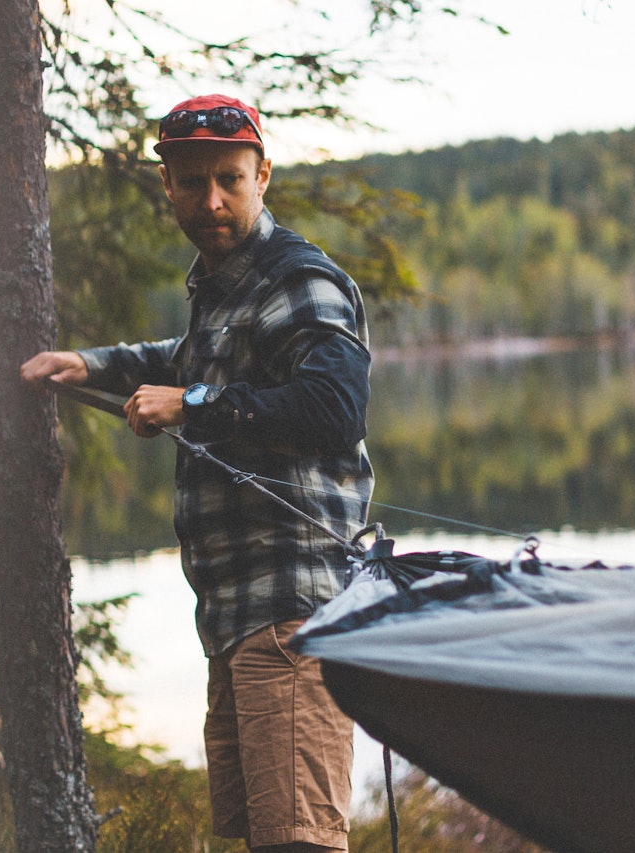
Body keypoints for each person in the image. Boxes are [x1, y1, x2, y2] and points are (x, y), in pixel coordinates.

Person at [20, 94, 372, 853]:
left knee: (301, 842)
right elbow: (185, 361)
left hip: (293, 612)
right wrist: (93, 365)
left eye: (229, 179)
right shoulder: (222, 287)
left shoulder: (298, 279)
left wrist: (194, 404)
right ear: (168, 186)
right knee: (264, 839)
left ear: (262, 176)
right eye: (191, 182)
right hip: (237, 618)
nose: (210, 200)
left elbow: (335, 408)